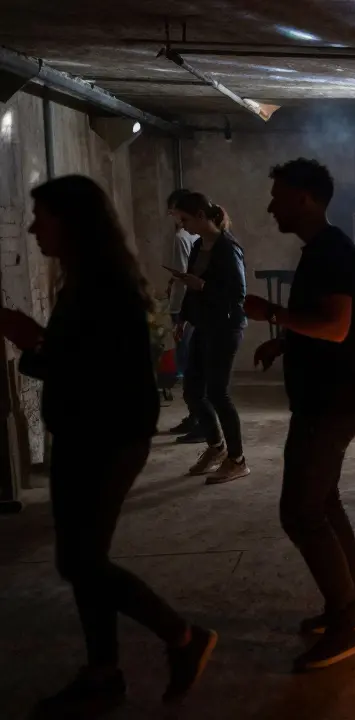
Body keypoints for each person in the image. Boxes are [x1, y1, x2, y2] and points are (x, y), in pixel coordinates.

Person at [1, 176, 215, 718]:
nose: (33, 227)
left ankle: (182, 636)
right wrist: (40, 344)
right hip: (92, 433)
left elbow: (92, 370)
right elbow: (84, 359)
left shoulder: (102, 285)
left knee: (80, 561)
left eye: (42, 217)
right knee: (83, 560)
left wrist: (33, 343)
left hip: (104, 438)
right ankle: (103, 672)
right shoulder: (91, 279)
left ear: (72, 222)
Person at [243, 158, 355, 671]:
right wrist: (283, 342)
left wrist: (272, 314)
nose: (271, 206)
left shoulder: (331, 250)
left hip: (330, 402)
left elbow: (337, 327)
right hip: (327, 397)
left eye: (278, 196)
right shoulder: (322, 250)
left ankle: (349, 624)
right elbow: (321, 320)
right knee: (323, 504)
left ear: (304, 198)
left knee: (300, 512)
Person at [171, 192, 250, 484]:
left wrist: (203, 285)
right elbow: (192, 287)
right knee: (193, 390)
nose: (183, 225)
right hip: (203, 326)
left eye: (185, 219)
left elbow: (238, 294)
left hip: (226, 328)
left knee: (217, 393)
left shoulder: (228, 248)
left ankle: (237, 460)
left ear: (201, 216)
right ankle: (217, 447)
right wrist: (183, 318)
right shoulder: (197, 246)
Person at [165, 188, 199, 436]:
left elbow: (183, 274)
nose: (173, 217)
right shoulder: (199, 238)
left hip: (183, 306)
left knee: (188, 366)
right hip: (194, 307)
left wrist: (174, 281)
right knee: (194, 365)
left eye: (172, 211)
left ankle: (197, 418)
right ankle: (196, 416)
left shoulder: (181, 237)